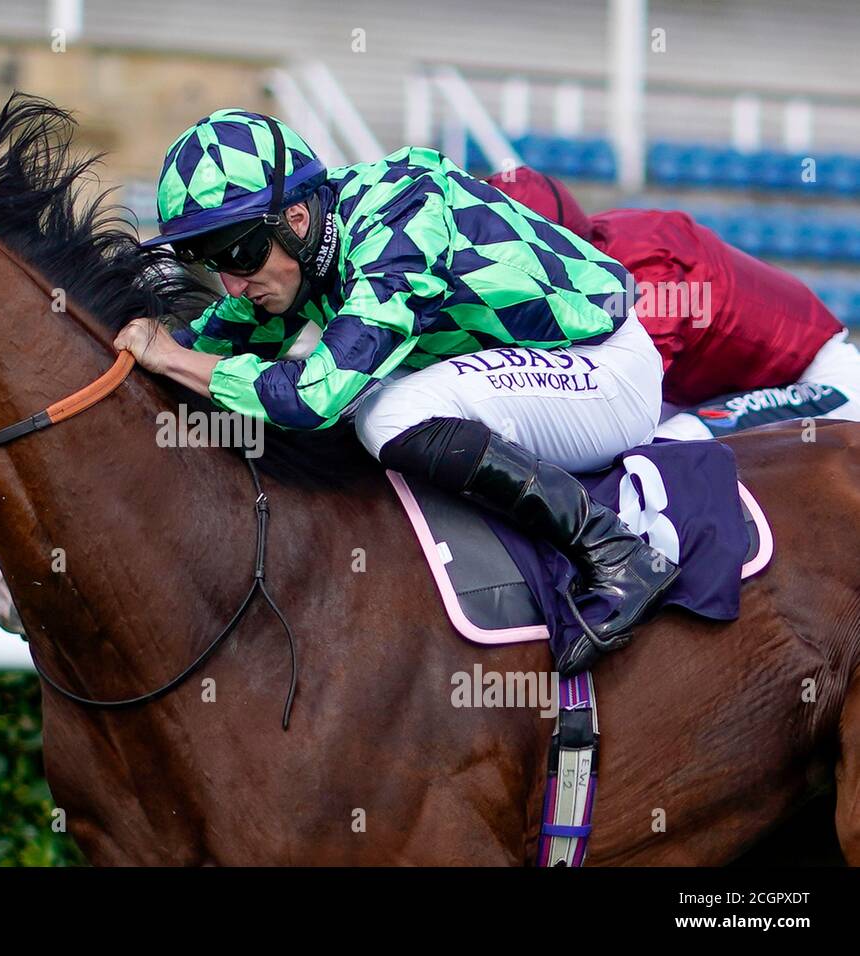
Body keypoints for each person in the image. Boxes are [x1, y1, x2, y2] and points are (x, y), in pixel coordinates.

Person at [116, 109, 679, 674]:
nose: (234, 284)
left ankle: (616, 553)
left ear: (296, 219)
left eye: (239, 254)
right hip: (534, 372)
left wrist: (176, 358)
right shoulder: (302, 251)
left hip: (605, 371)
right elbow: (196, 348)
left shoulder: (402, 222)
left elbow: (313, 397)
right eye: (209, 261)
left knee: (384, 413)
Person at [484, 166, 859, 438]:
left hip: (816, 379)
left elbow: (627, 388)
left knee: (665, 451)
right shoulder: (592, 248)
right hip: (709, 390)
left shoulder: (645, 265)